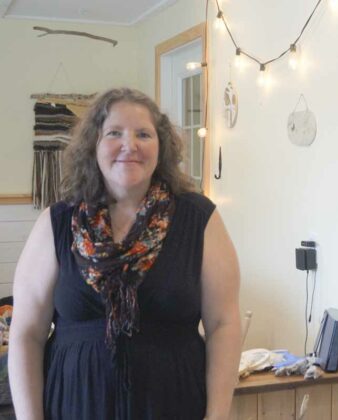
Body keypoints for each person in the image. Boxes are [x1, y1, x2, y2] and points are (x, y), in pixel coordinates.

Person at [8, 88, 241, 420]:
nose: (129, 145)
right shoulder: (58, 223)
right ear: (94, 145)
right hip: (74, 406)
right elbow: (26, 334)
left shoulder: (198, 219)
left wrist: (217, 416)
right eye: (114, 133)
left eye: (143, 134)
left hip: (175, 405)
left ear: (161, 147)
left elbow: (223, 324)